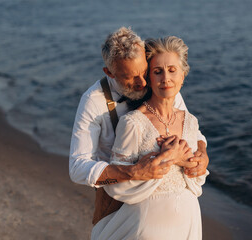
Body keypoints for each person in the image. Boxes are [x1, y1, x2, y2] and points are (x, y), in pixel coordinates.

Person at [69, 27, 209, 226]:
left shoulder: (159, 82)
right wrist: (133, 172)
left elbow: (191, 130)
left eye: (144, 71)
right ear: (109, 72)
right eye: (130, 77)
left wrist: (202, 153)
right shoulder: (93, 101)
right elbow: (77, 168)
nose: (143, 83)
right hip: (119, 201)